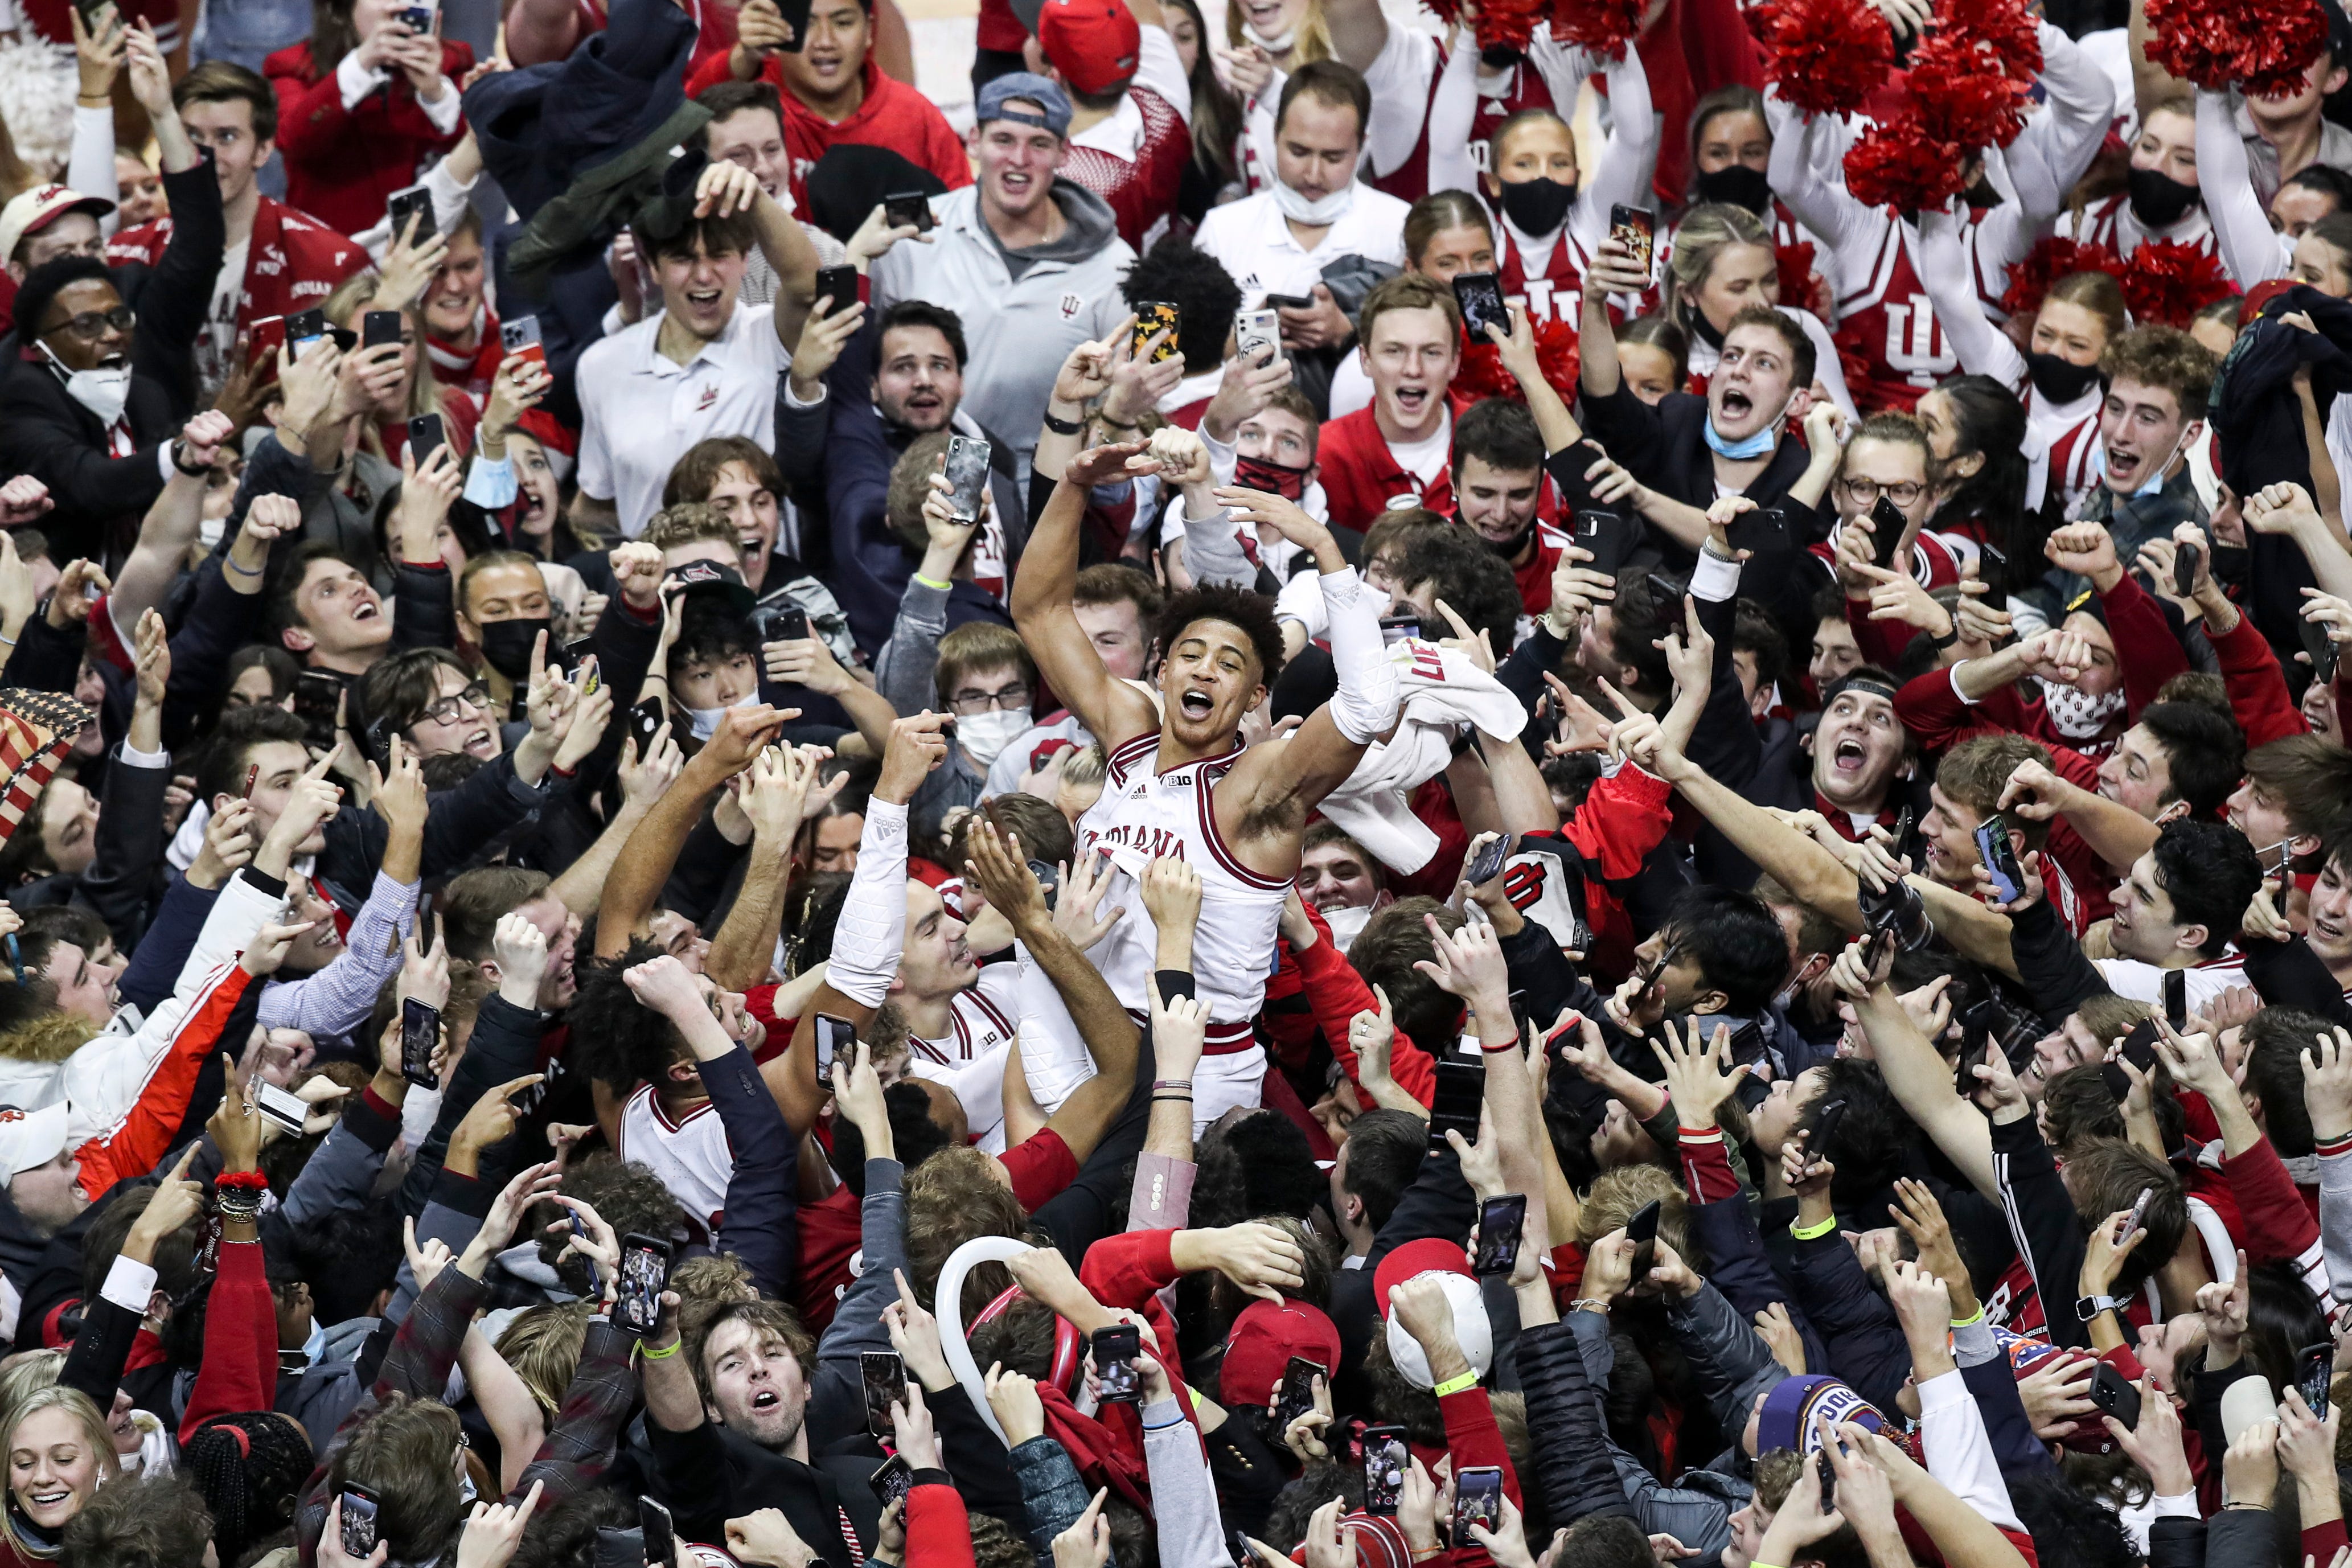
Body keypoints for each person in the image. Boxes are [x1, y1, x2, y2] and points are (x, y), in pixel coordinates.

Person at [867, 75, 1136, 487]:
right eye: (1004, 140)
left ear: (1064, 153)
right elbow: (863, 362)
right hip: (914, 476)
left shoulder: (1114, 267)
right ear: (974, 141)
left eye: (1039, 144)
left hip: (1044, 491)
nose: (1019, 159)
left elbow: (1120, 404)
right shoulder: (914, 235)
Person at [573, 158, 823, 540]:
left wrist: (754, 196)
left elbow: (807, 286)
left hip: (760, 583)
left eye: (720, 255)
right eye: (683, 258)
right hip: (656, 591)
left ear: (744, 260)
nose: (704, 275)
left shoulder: (767, 336)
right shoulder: (601, 366)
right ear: (653, 267)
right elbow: (596, 504)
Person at [98, 62, 368, 407]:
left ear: (263, 150)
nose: (207, 155)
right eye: (191, 136)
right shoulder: (126, 254)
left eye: (226, 137)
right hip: (161, 452)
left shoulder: (330, 262)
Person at [687, 0, 971, 212]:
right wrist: (741, 57)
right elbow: (684, 129)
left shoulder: (917, 116)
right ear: (777, 30)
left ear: (870, 31)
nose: (825, 41)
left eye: (843, 23)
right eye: (808, 24)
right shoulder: (753, 109)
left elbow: (963, 218)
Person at [262, 0, 473, 238]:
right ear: (342, 7)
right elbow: (293, 141)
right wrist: (361, 65)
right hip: (331, 250)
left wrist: (435, 93)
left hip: (427, 245)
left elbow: (472, 151)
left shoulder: (454, 61)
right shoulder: (292, 66)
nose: (399, 7)